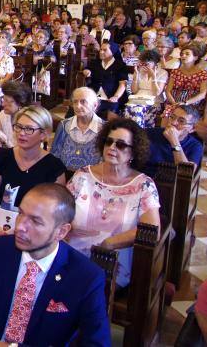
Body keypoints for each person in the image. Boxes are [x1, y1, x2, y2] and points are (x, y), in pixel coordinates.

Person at [0, 184, 110, 346]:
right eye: (20, 213)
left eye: (35, 221)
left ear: (61, 232)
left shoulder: (86, 277)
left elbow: (97, 343)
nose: (20, 227)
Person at [65, 118, 161, 288]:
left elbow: (152, 231)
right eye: (109, 142)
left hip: (111, 263)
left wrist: (109, 243)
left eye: (121, 145)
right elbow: (60, 211)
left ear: (133, 152)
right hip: (70, 255)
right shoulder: (83, 176)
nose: (112, 147)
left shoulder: (143, 185)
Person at [0, 106, 66, 237]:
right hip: (1, 227)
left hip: (34, 232)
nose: (21, 133)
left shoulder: (54, 168)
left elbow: (53, 214)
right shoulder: (2, 158)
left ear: (43, 134)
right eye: (18, 127)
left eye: (29, 129)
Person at [50, 87, 104, 171]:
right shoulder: (64, 125)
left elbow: (105, 161)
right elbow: (54, 155)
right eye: (75, 102)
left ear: (95, 105)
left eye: (83, 102)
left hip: (92, 179)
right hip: (64, 176)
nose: (78, 106)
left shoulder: (104, 128)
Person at [144, 104, 204, 175]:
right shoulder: (149, 133)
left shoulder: (195, 146)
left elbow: (186, 174)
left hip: (173, 184)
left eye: (181, 121)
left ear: (192, 128)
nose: (173, 123)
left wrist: (174, 141)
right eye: (172, 117)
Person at [163, 41, 207, 119]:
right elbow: (168, 90)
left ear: (195, 57)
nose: (183, 56)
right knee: (167, 114)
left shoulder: (203, 74)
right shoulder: (175, 72)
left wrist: (186, 103)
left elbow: (202, 94)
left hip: (192, 105)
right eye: (182, 54)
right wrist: (175, 104)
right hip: (174, 102)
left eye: (187, 54)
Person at [123, 49, 168, 127]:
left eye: (147, 64)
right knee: (129, 108)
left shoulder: (162, 72)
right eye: (142, 63)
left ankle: (137, 131)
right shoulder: (140, 71)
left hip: (153, 101)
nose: (144, 66)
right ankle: (132, 131)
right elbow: (134, 90)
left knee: (137, 110)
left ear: (155, 63)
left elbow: (157, 93)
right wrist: (135, 77)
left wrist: (153, 77)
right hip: (138, 99)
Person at [83, 41, 129, 117]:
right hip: (94, 96)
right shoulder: (95, 63)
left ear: (113, 51)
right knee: (78, 106)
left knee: (111, 111)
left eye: (105, 50)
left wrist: (116, 97)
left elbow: (123, 84)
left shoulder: (120, 65)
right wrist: (86, 71)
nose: (101, 52)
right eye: (100, 49)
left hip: (111, 97)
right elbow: (87, 69)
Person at [0, 80, 31, 154]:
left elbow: (23, 152)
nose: (3, 104)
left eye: (7, 101)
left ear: (20, 103)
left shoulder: (28, 120)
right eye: (3, 99)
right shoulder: (3, 115)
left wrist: (5, 139)